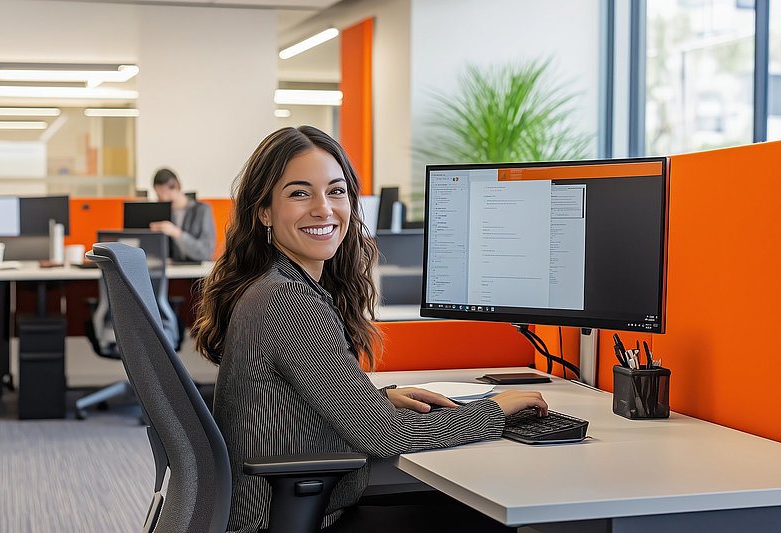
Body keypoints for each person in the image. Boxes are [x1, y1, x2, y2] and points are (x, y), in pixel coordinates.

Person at [192, 126, 548, 533]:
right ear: (264, 212)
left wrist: (374, 400)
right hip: (284, 519)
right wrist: (495, 410)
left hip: (281, 511)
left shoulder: (273, 284)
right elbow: (389, 438)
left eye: (336, 191)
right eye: (300, 193)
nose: (324, 208)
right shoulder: (286, 299)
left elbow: (293, 401)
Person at [149, 168, 216, 262]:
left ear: (176, 186)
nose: (163, 198)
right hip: (172, 269)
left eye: (165, 193)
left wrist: (176, 233)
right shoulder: (162, 213)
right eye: (158, 195)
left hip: (198, 269)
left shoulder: (202, 210)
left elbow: (206, 253)